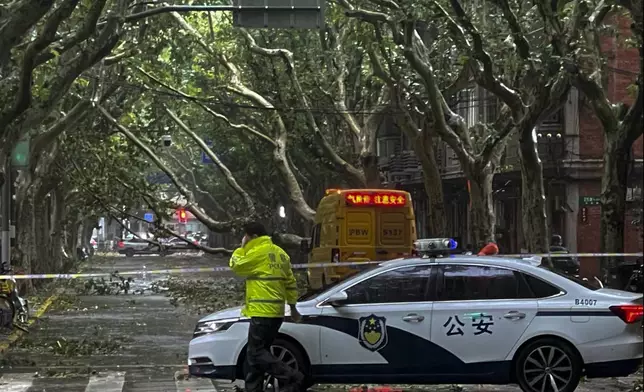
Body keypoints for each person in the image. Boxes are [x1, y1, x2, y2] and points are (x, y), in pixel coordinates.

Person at [230, 222, 305, 392]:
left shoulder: (258, 253)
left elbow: (237, 266)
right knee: (256, 355)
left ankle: (291, 375)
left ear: (254, 237)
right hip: (277, 313)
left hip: (262, 312)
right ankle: (253, 389)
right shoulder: (281, 254)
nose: (245, 239)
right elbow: (291, 283)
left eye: (246, 236)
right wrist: (293, 308)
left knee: (256, 353)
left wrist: (240, 249)